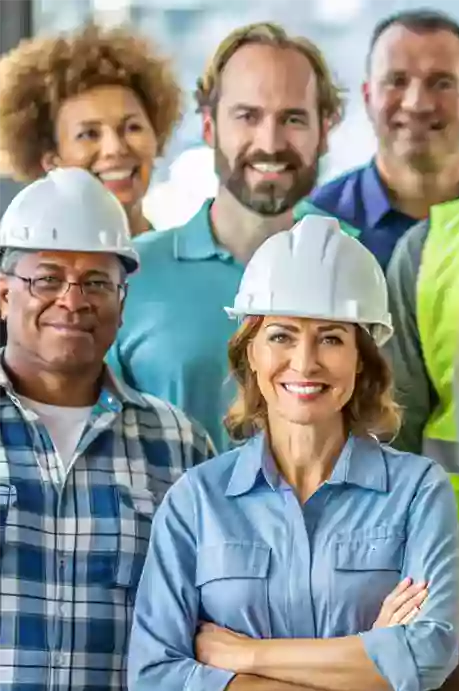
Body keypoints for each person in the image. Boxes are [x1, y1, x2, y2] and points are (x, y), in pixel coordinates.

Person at [127, 216, 459, 691]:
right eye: (281, 335)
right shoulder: (197, 501)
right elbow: (156, 689)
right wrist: (369, 665)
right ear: (250, 353)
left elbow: (427, 656)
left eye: (331, 338)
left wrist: (247, 655)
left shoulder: (417, 491)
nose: (304, 363)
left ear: (362, 359)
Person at [0, 168, 212, 691]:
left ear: (122, 301)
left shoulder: (179, 445)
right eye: (47, 278)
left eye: (96, 280)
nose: (72, 300)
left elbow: (212, 618)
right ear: (4, 292)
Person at [110, 22, 345, 454]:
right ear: (208, 127)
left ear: (324, 131)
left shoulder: (353, 268)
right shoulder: (131, 276)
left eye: (293, 118)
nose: (270, 142)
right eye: (247, 116)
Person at [310, 10, 459, 269]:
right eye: (396, 81)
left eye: (441, 83)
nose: (417, 104)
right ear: (368, 99)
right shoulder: (317, 225)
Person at [0, 23, 182, 237]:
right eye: (89, 134)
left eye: (132, 127)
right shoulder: (22, 268)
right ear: (51, 161)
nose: (114, 148)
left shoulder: (186, 266)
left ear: (157, 138)